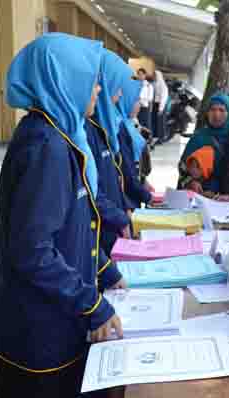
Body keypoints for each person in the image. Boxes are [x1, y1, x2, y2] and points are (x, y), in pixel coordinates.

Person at [0, 33, 124, 398]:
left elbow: (72, 226)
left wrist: (104, 269)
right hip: (40, 340)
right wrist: (92, 304)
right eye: (90, 78)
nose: (98, 89)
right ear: (64, 79)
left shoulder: (59, 135)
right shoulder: (46, 146)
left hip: (54, 321)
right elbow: (32, 251)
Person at [87, 49, 134, 254]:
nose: (121, 93)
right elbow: (93, 190)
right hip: (103, 232)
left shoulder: (103, 125)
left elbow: (113, 176)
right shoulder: (85, 131)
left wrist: (124, 207)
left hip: (112, 226)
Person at [177, 93, 229, 195]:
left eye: (221, 110)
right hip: (203, 193)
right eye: (213, 109)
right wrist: (191, 182)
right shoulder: (199, 137)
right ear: (207, 112)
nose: (216, 114)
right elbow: (183, 166)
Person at [118, 77, 153, 209]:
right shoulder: (119, 127)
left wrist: (143, 181)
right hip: (128, 196)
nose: (139, 104)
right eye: (136, 99)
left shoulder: (131, 123)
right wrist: (147, 196)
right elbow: (126, 170)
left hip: (136, 190)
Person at [152, 70, 169, 144]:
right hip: (156, 104)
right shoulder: (155, 84)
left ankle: (161, 138)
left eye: (155, 75)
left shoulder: (163, 85)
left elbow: (163, 97)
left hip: (160, 105)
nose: (154, 77)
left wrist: (160, 108)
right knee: (156, 122)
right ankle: (157, 137)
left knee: (160, 122)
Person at [136, 67, 154, 132]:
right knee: (138, 123)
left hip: (144, 107)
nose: (140, 76)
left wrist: (141, 98)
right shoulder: (135, 84)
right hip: (136, 106)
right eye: (138, 74)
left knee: (146, 124)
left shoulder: (149, 85)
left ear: (145, 75)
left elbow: (150, 98)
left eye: (141, 74)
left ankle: (148, 138)